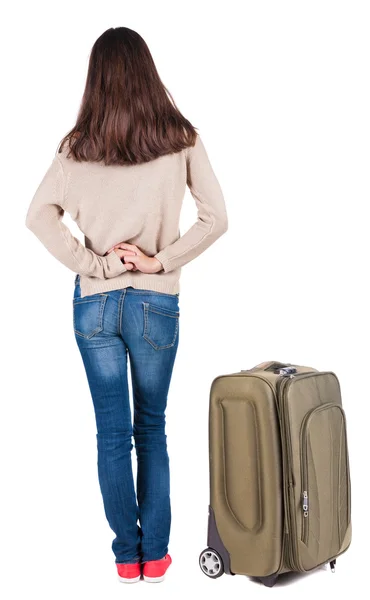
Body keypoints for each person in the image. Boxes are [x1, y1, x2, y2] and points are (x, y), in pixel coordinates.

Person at [25, 26, 228, 584]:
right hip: (155, 306)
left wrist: (98, 266)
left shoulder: (76, 147)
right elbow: (217, 219)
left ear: (96, 80)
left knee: (112, 433)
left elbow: (37, 214)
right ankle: (157, 558)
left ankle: (126, 558)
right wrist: (156, 263)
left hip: (95, 304)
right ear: (148, 72)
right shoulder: (179, 136)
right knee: (152, 429)